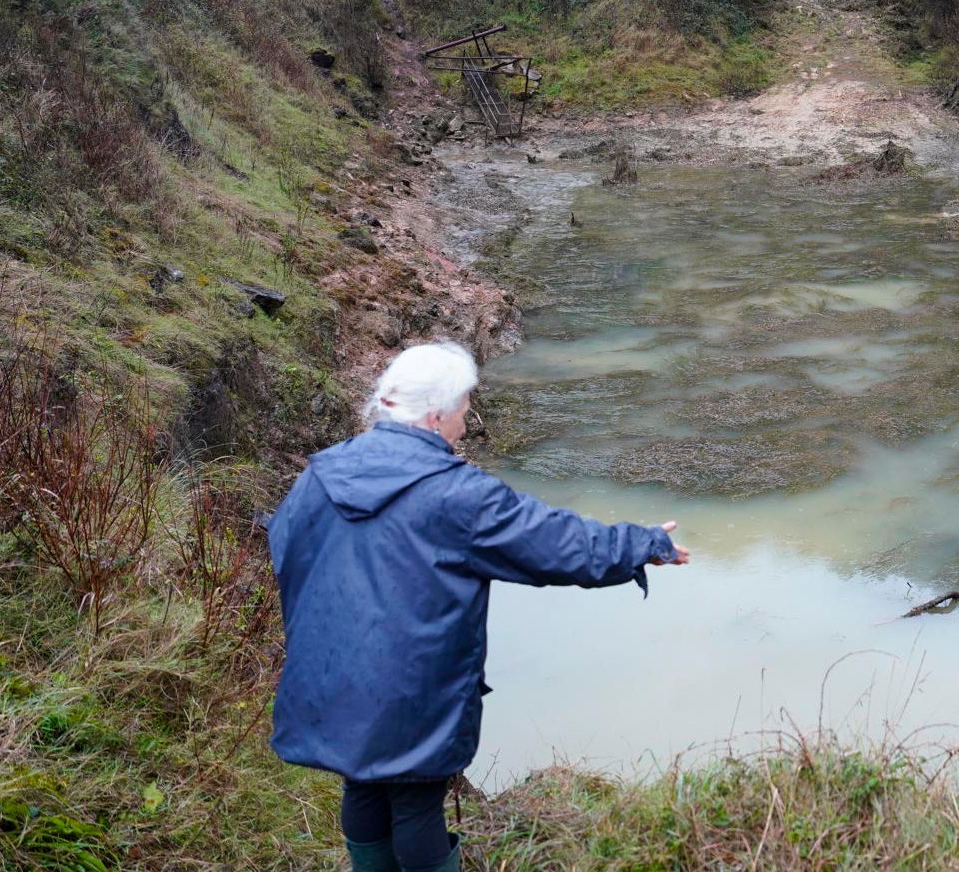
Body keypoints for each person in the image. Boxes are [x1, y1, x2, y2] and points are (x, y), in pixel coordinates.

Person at [268, 342, 689, 872]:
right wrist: (640, 543)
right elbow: (551, 544)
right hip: (414, 684)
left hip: (334, 671)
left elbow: (285, 548)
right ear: (438, 415)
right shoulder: (455, 495)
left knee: (365, 783)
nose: (467, 427)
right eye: (465, 413)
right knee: (418, 801)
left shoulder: (322, 474)